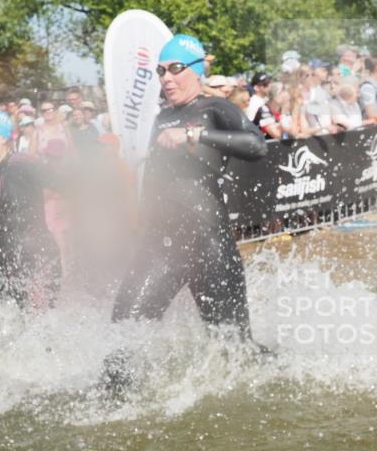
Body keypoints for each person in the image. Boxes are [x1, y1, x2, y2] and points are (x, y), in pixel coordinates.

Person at [105, 34, 269, 392]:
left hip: (209, 247)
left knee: (234, 349)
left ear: (197, 71)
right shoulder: (160, 117)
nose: (166, 78)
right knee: (122, 332)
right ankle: (114, 411)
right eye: (160, 70)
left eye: (175, 69)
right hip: (160, 248)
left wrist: (195, 136)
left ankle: (283, 377)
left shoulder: (214, 109)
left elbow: (257, 145)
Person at [0, 108, 62, 310]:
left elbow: (66, 184)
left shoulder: (22, 162)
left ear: (3, 136)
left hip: (37, 256)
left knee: (37, 326)